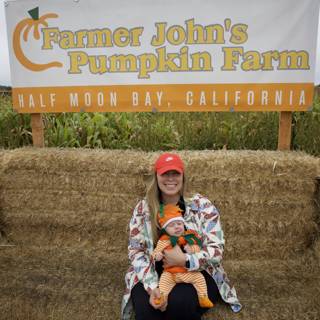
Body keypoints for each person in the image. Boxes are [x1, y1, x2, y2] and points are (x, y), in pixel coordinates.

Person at [121, 153, 242, 320]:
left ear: (183, 176)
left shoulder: (202, 206)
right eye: (165, 174)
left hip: (196, 271)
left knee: (178, 304)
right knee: (149, 309)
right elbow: (136, 251)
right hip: (153, 272)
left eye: (175, 173)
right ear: (156, 177)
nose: (171, 178)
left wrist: (184, 259)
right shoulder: (143, 209)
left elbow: (216, 250)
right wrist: (152, 287)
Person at [152, 203, 214, 308]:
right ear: (165, 229)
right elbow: (156, 252)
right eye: (172, 225)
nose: (176, 227)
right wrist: (157, 255)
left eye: (179, 224)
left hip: (187, 271)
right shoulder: (164, 240)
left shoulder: (189, 237)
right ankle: (162, 299)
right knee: (163, 282)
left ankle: (203, 298)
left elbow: (198, 249)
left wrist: (191, 249)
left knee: (199, 278)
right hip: (170, 273)